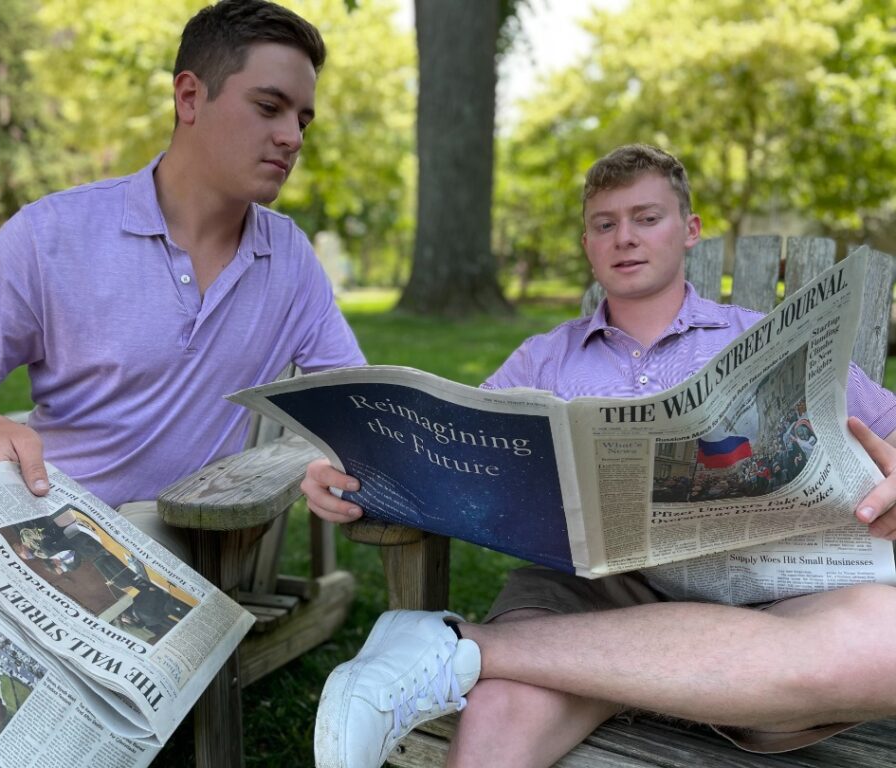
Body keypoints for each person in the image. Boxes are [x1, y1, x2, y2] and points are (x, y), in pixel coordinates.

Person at [303, 144, 896, 768]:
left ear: (690, 230)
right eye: (605, 224)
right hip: (590, 593)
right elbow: (446, 453)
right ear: (587, 244)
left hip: (767, 599)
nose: (625, 238)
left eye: (647, 218)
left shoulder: (762, 339)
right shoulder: (543, 361)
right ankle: (564, 662)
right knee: (500, 728)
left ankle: (459, 645)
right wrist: (349, 476)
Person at [0, 0, 365, 749]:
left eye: (305, 118)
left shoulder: (288, 259)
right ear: (190, 96)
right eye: (270, 107)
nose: (292, 137)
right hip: (24, 520)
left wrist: (336, 457)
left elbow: (351, 402)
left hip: (172, 536)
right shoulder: (53, 234)